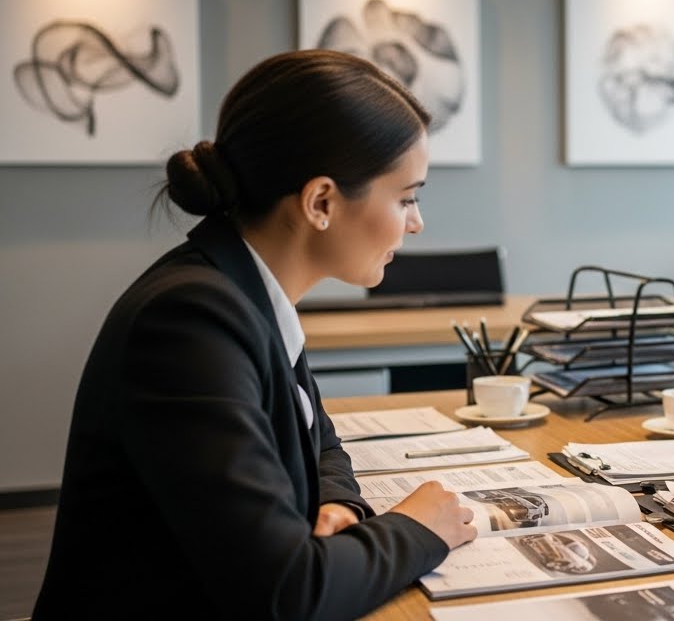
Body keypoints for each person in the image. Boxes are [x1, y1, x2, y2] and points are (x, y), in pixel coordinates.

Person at [34, 50, 478, 620]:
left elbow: (319, 440)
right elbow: (285, 595)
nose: (416, 223)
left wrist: (338, 502)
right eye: (407, 197)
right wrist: (419, 529)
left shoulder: (244, 290)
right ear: (321, 202)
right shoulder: (191, 321)